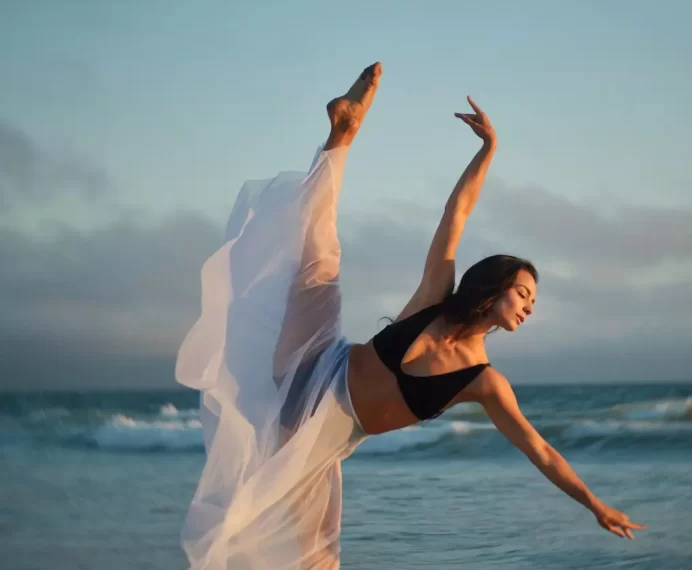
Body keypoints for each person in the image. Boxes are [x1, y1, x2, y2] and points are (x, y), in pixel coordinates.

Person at [176, 62, 644, 570]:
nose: (530, 307)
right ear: (495, 287)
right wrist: (489, 152)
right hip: (316, 363)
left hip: (318, 437)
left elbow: (541, 451)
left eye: (533, 302)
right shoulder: (435, 298)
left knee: (312, 561)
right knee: (316, 257)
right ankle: (344, 131)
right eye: (524, 293)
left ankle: (344, 133)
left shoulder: (485, 382)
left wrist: (593, 504)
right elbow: (456, 214)